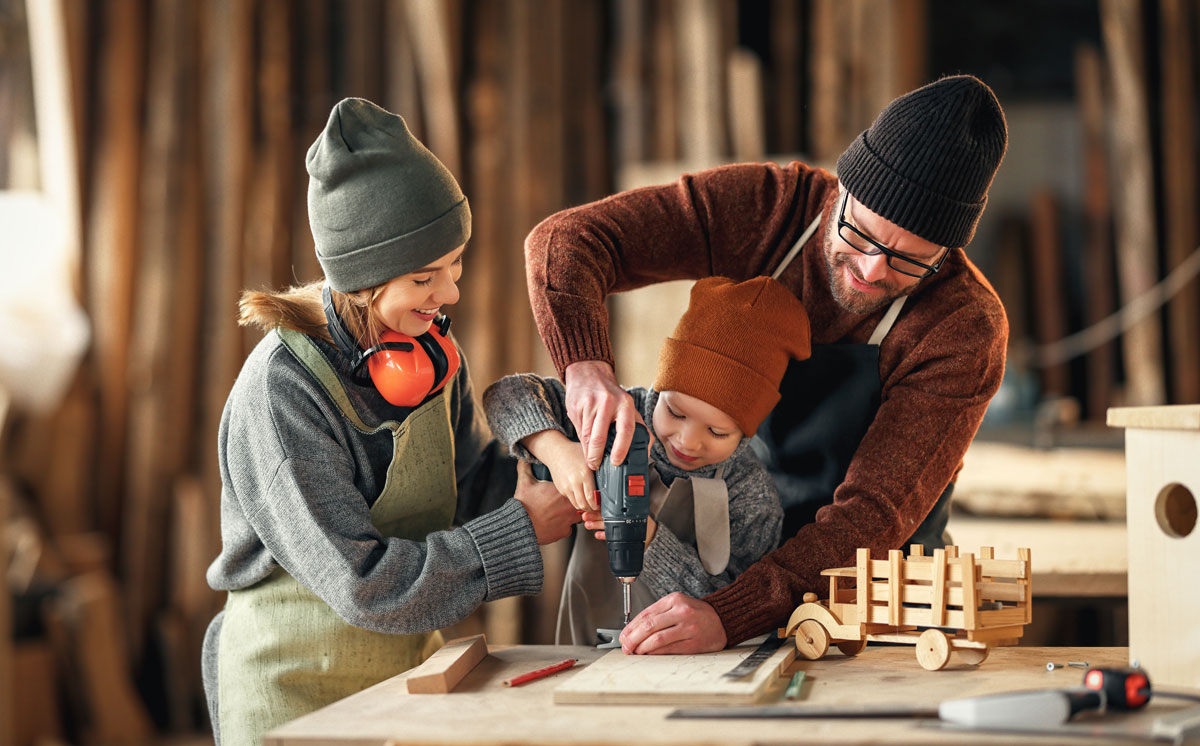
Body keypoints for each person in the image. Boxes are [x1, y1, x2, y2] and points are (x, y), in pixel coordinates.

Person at [522, 74, 1009, 654]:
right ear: (844, 188)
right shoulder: (770, 208)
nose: (873, 271)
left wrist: (733, 614)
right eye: (860, 234)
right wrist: (586, 367)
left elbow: (872, 517)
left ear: (948, 252)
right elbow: (567, 240)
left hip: (879, 603)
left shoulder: (963, 327)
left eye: (910, 260)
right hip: (737, 562)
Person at [200, 98, 577, 746]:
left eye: (455, 265)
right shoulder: (282, 396)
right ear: (362, 281)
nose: (451, 293)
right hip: (293, 695)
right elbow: (365, 585)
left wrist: (553, 473)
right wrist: (521, 530)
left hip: (404, 683)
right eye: (425, 276)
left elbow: (465, 483)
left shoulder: (429, 352)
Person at [484, 276, 809, 644]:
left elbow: (740, 606)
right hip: (581, 646)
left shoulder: (751, 494)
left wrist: (652, 542)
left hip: (694, 664)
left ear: (747, 433)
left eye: (717, 433)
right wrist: (555, 449)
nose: (687, 440)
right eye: (675, 411)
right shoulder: (617, 415)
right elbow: (503, 396)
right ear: (660, 388)